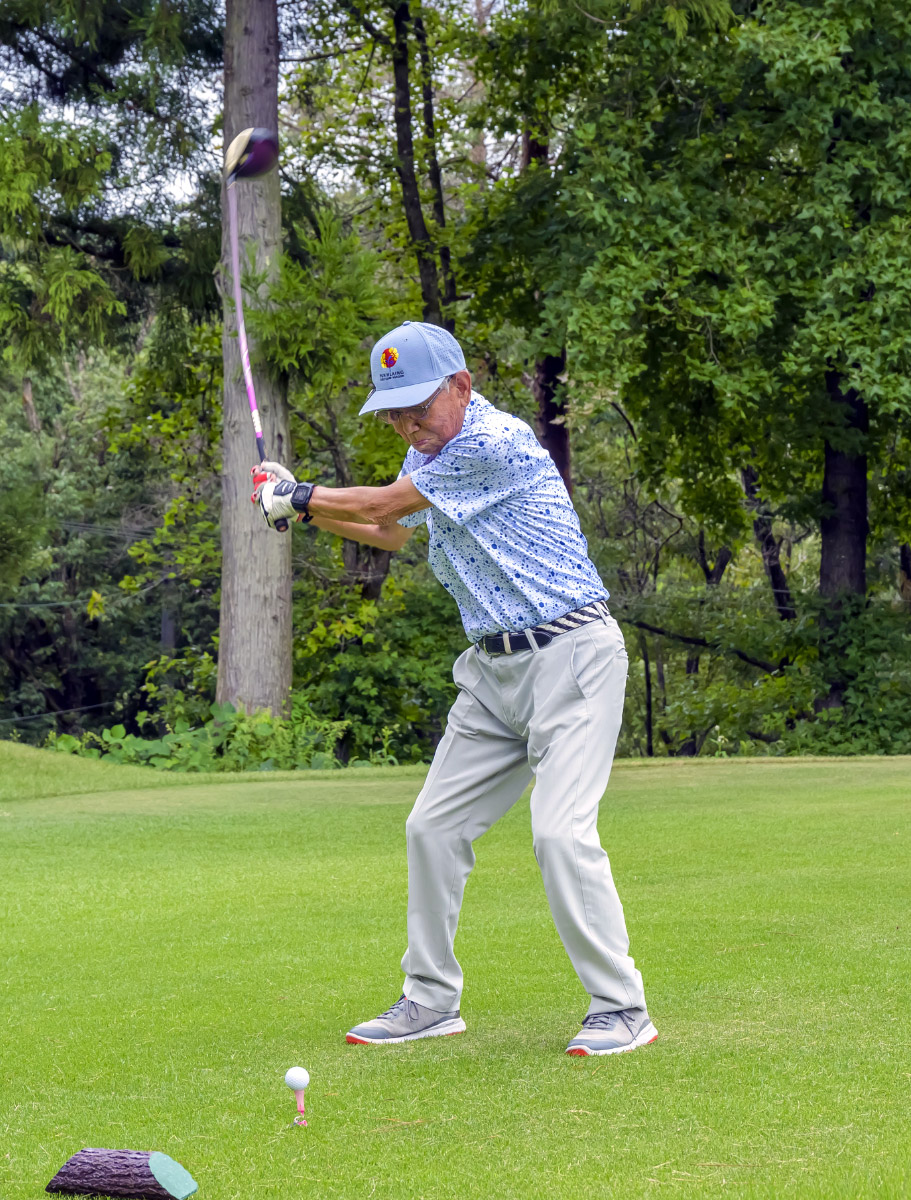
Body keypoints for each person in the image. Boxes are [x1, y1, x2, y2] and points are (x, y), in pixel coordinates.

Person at [253, 320, 655, 1057]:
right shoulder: (429, 452)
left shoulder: (490, 442)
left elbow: (380, 509)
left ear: (462, 387)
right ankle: (429, 1001)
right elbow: (396, 532)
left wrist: (299, 492)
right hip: (492, 673)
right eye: (396, 413)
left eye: (420, 407)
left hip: (573, 657)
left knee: (560, 833)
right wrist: (302, 506)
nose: (409, 424)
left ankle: (622, 1008)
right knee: (431, 829)